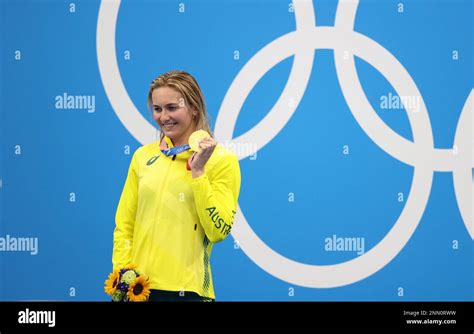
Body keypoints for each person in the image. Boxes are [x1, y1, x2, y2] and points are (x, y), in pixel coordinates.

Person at [112, 70, 241, 302]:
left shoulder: (221, 159)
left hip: (187, 291)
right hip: (138, 289)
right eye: (157, 109)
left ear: (193, 108)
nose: (163, 117)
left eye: (172, 108)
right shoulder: (143, 157)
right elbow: (125, 223)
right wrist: (123, 275)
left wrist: (199, 172)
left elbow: (218, 230)